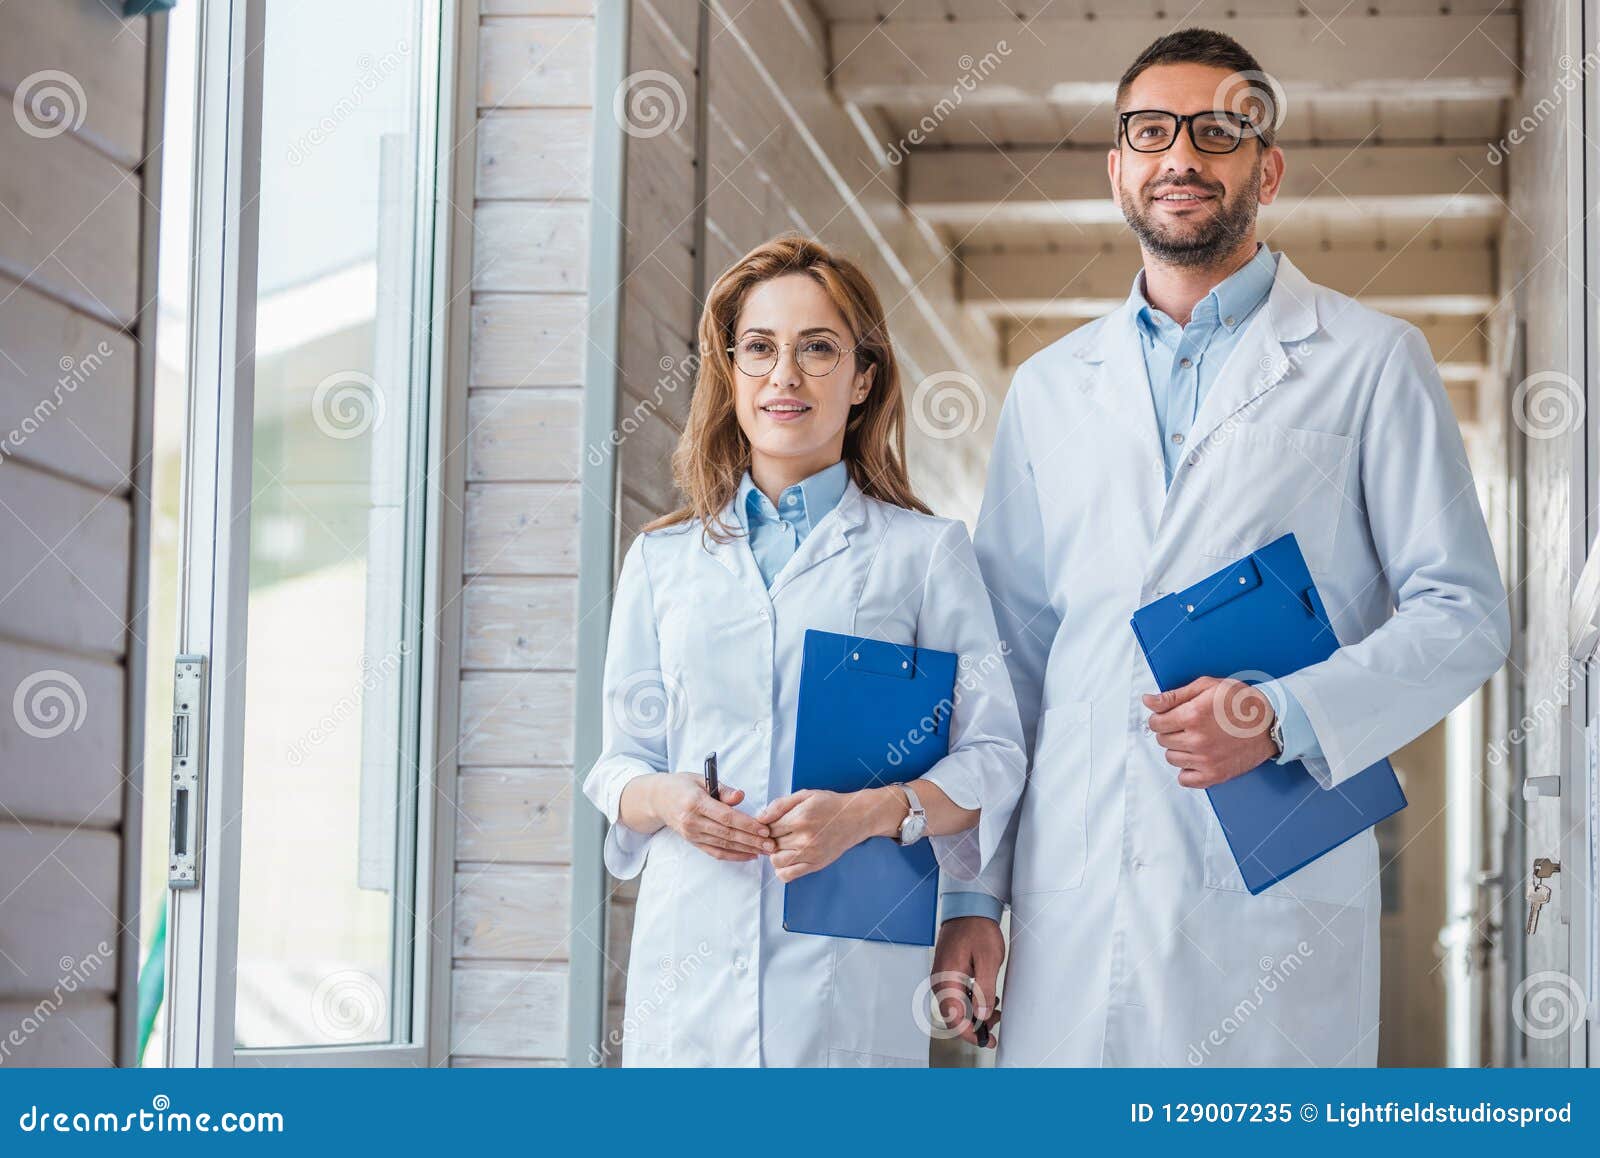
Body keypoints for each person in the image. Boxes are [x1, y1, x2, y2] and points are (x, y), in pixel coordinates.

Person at [931, 27, 1510, 1066]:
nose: (1181, 157)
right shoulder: (1051, 390)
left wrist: (1281, 714)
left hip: (1269, 899)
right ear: (1118, 168)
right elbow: (1006, 666)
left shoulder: (1372, 362)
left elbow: (1463, 613)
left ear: (1267, 168)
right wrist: (974, 893)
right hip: (1075, 891)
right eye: (1150, 132)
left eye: (1218, 131)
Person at [583, 234, 1026, 1066]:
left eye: (817, 348)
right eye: (759, 348)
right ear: (731, 373)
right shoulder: (664, 558)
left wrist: (867, 814)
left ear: (863, 378)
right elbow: (617, 765)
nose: (784, 375)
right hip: (689, 970)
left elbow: (996, 757)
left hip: (846, 972)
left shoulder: (924, 555)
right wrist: (669, 800)